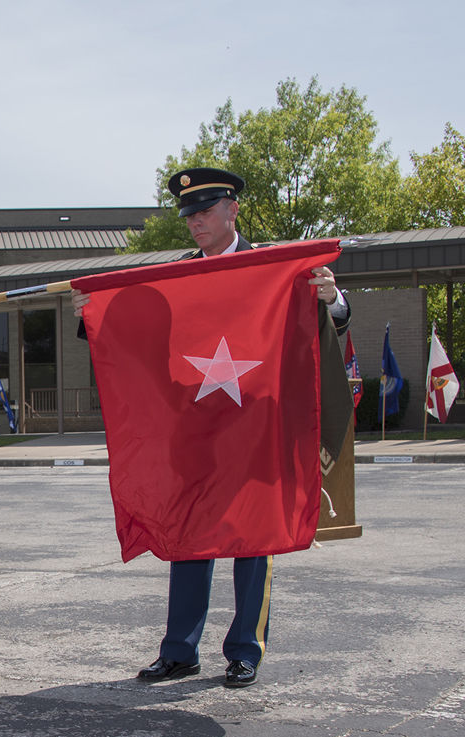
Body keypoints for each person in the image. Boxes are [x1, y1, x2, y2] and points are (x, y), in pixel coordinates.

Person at [72, 167, 351, 688]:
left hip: (257, 428)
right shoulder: (178, 276)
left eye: (204, 211)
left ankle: (246, 649)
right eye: (188, 214)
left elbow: (334, 318)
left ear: (232, 211)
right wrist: (89, 313)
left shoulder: (274, 268)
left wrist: (329, 296)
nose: (195, 222)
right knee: (189, 535)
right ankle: (180, 651)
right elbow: (138, 331)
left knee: (254, 536)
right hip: (195, 431)